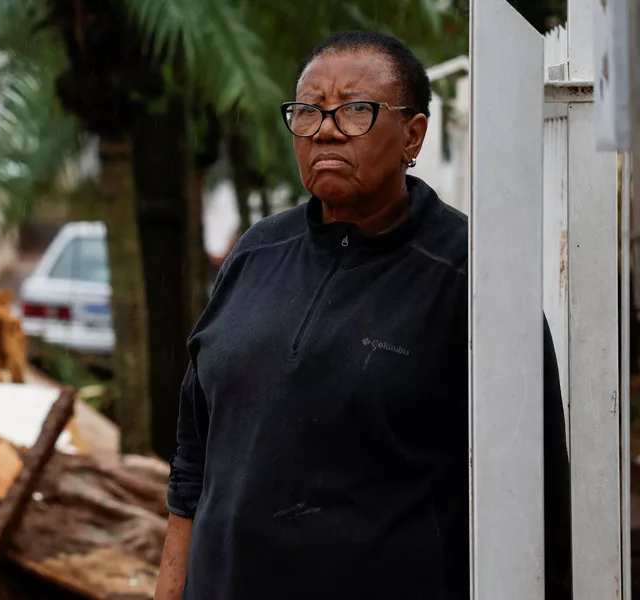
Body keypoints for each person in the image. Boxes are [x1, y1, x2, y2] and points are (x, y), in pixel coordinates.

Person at [153, 31, 571, 600]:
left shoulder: (475, 279)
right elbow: (193, 453)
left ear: (413, 134)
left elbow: (536, 496)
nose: (325, 128)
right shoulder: (255, 253)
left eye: (355, 110)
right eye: (308, 110)